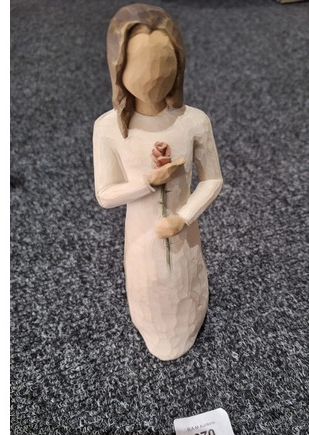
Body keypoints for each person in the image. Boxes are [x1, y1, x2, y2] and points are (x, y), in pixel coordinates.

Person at [93, 4, 223, 360]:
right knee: (148, 284)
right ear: (118, 67)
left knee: (184, 280)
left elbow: (212, 179)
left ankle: (189, 319)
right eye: (141, 65)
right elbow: (105, 194)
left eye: (164, 65)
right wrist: (148, 183)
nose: (153, 77)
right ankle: (153, 326)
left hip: (183, 235)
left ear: (179, 65)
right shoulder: (107, 128)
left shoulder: (194, 122)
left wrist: (183, 217)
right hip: (141, 239)